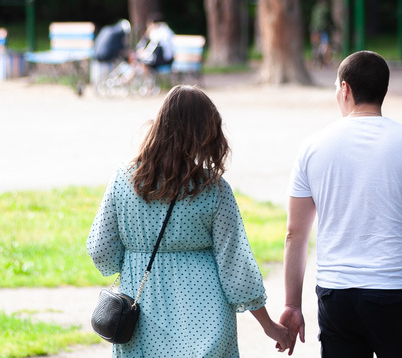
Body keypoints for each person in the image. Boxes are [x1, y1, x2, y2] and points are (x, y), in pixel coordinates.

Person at [279, 51, 402, 355]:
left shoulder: (312, 147)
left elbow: (295, 234)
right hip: (395, 290)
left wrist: (292, 304)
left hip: (336, 296)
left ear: (345, 89)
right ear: (384, 90)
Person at [87, 86, 292, 356]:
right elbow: (236, 268)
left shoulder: (123, 180)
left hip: (141, 322)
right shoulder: (213, 189)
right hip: (206, 325)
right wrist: (270, 326)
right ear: (205, 133)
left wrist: (133, 260)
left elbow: (101, 250)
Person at [310, 0, 334, 67]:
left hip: (314, 28)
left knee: (315, 44)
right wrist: (334, 26)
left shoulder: (315, 9)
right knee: (325, 44)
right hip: (323, 29)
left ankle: (315, 60)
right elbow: (330, 19)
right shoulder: (326, 9)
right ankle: (326, 60)